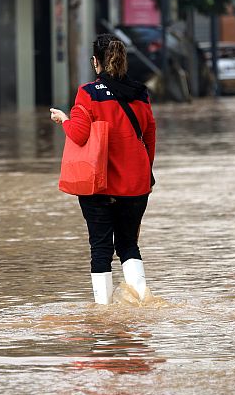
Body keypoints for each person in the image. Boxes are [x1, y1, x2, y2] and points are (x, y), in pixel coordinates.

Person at [49, 34, 157, 305]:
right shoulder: (140, 93)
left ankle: (104, 316)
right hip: (136, 185)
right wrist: (144, 174)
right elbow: (149, 137)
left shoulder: (88, 93)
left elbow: (80, 134)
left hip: (99, 185)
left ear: (95, 61)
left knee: (100, 248)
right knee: (129, 245)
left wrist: (64, 119)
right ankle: (142, 304)